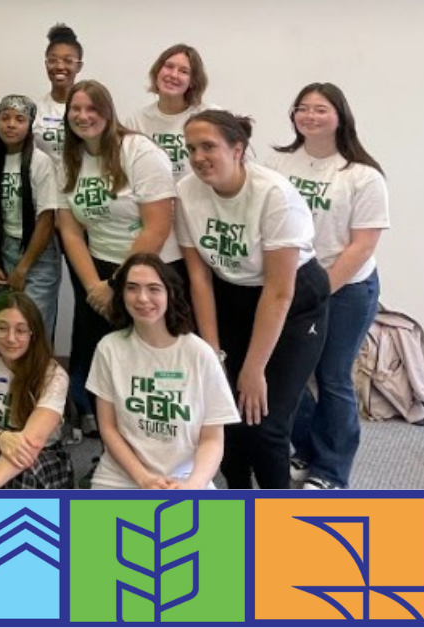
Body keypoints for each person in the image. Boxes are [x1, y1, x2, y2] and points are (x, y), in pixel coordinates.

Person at [178, 109, 330, 489]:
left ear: (238, 149)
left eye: (208, 146)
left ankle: (276, 513)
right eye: (191, 148)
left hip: (291, 302)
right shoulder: (186, 191)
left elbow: (279, 292)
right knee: (224, 412)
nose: (198, 157)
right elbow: (199, 277)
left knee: (265, 423)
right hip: (231, 295)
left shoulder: (275, 195)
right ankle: (239, 499)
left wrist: (253, 369)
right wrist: (213, 354)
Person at [266, 84, 389, 489]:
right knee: (288, 373)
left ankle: (331, 471)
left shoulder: (362, 175)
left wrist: (319, 290)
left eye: (321, 109)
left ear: (340, 117)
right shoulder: (278, 164)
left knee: (332, 378)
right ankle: (306, 448)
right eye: (302, 108)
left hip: (348, 288)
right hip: (290, 283)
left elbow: (362, 245)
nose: (310, 116)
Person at [57, 79, 179, 436]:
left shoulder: (139, 151)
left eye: (92, 108)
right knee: (105, 359)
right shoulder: (69, 159)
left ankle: (149, 439)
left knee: (145, 360)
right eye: (76, 109)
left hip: (150, 267)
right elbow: (70, 231)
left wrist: (116, 283)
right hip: (97, 270)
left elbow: (157, 227)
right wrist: (94, 287)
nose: (83, 116)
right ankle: (109, 440)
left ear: (109, 113)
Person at [88, 254, 239, 489]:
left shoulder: (200, 354)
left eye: (154, 289)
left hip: (187, 478)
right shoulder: (109, 348)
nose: (142, 298)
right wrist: (143, 478)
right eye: (132, 288)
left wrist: (194, 484)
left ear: (171, 294)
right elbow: (108, 427)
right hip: (119, 476)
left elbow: (212, 438)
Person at [0, 292, 71, 489]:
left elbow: (32, 442)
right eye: (2, 328)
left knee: (18, 484)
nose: (11, 338)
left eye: (21, 330)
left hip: (41, 456)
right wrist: (0, 438)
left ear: (33, 333)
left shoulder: (54, 375)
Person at [0, 95, 61, 337]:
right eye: (5, 118)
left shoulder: (41, 162)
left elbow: (47, 219)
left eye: (20, 119)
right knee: (8, 325)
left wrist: (23, 267)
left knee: (33, 327)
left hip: (37, 252)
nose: (11, 124)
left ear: (30, 125)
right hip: (5, 249)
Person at [125, 44, 215, 180]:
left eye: (184, 71)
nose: (173, 75)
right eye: (169, 66)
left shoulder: (210, 117)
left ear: (192, 81)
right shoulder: (136, 121)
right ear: (157, 71)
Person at [33, 24, 84, 164]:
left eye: (68, 61)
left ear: (79, 66)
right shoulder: (36, 111)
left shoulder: (92, 110)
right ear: (46, 64)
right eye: (53, 60)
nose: (60, 66)